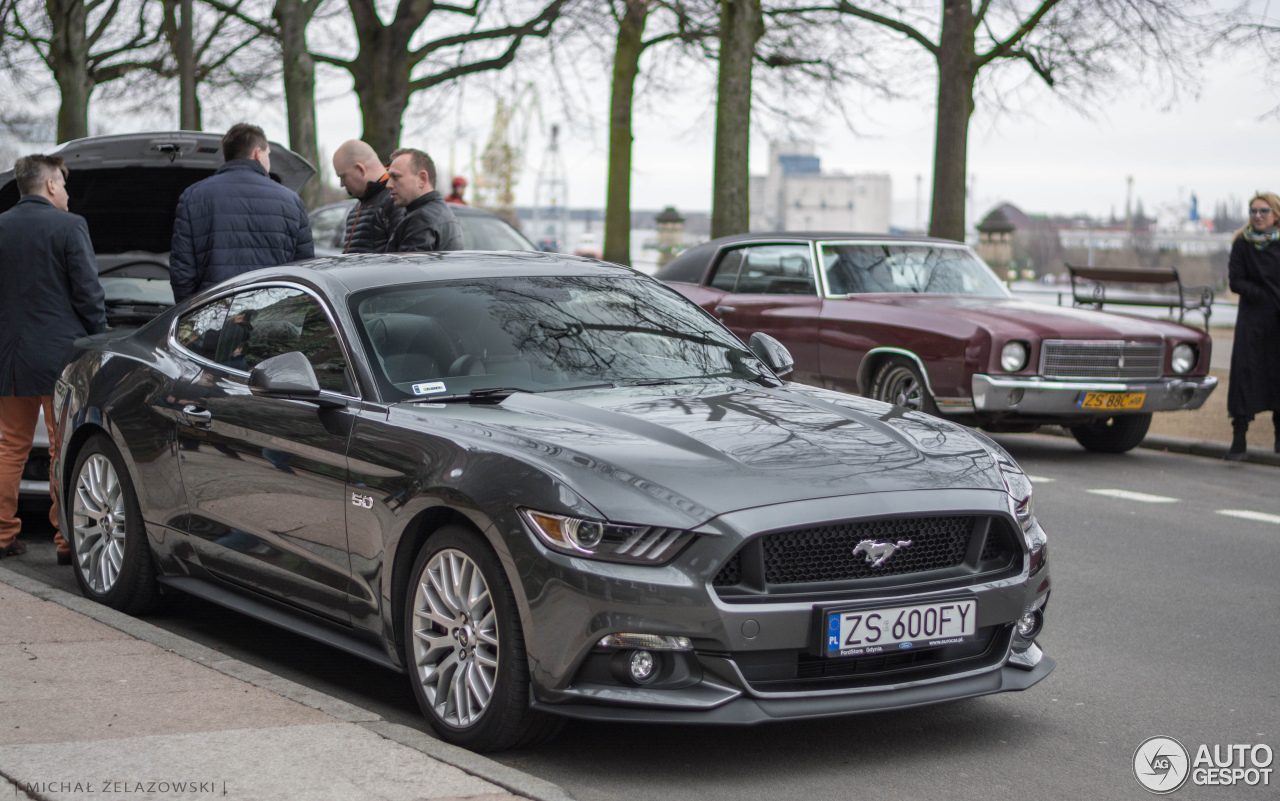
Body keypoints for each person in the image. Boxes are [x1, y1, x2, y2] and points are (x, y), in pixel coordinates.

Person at [0, 154, 106, 563]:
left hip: (9, 361)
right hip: (59, 359)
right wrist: (98, 338)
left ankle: (4, 535)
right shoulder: (70, 225)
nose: (66, 191)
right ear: (48, 185)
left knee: (10, 447)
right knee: (62, 449)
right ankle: (66, 541)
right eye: (62, 184)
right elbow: (88, 293)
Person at [169, 123, 313, 303]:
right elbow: (304, 271)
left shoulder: (193, 197)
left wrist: (190, 316)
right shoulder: (291, 201)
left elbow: (182, 272)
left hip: (212, 316)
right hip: (272, 315)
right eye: (268, 154)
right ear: (258, 153)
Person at [1225, 192, 1280, 460]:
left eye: (1263, 211)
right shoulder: (1242, 244)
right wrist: (1263, 296)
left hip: (1278, 321)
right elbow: (1236, 282)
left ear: (1276, 214)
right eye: (1253, 211)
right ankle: (1239, 440)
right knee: (1245, 376)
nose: (1257, 216)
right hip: (1252, 321)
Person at [385, 148, 463, 253]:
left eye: (396, 177)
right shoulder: (440, 212)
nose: (388, 185)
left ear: (421, 179)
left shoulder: (422, 219)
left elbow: (408, 268)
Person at [332, 140, 403, 253]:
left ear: (361, 169)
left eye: (343, 176)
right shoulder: (358, 207)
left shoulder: (396, 202)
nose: (342, 184)